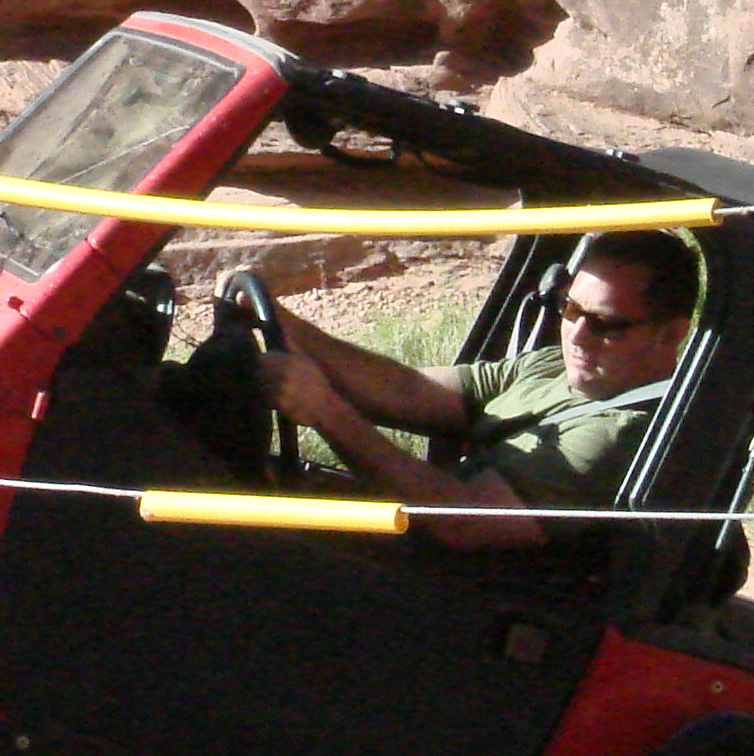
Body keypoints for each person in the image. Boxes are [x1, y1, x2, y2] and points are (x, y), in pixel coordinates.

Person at [254, 230, 697, 548]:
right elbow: (409, 391)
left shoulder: (624, 432)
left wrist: (325, 411)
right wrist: (283, 324)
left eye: (605, 324)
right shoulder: (556, 368)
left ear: (670, 334)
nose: (577, 335)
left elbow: (461, 521)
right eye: (570, 309)